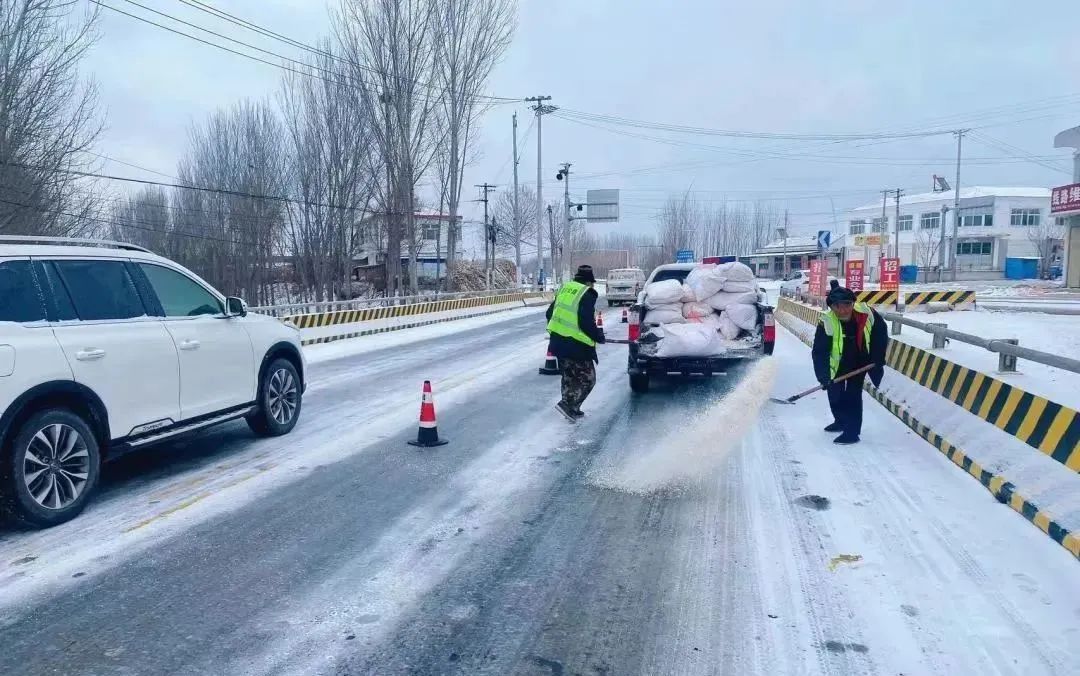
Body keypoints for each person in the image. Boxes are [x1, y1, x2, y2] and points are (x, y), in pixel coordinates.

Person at [811, 285, 887, 444]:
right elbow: (820, 352)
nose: (843, 310)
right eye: (837, 306)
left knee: (853, 395)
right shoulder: (826, 321)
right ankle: (840, 421)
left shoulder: (867, 313)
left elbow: (880, 334)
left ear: (853, 303)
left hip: (861, 362)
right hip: (838, 364)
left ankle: (852, 432)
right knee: (835, 394)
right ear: (831, 306)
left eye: (847, 305)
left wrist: (878, 357)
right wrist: (823, 376)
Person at [546, 265, 606, 422]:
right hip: (576, 346)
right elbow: (585, 321)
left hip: (557, 342)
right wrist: (598, 336)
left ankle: (571, 409)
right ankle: (568, 406)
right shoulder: (587, 293)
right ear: (589, 282)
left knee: (569, 376)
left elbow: (549, 313)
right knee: (588, 379)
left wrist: (561, 330)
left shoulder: (566, 288)